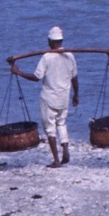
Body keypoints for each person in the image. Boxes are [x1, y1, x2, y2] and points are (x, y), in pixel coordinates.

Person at [18, 26, 81, 167]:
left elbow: (36, 77)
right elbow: (75, 78)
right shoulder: (70, 55)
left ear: (51, 41)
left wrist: (19, 72)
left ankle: (56, 160)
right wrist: (76, 95)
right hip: (64, 97)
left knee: (50, 128)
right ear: (61, 40)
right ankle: (65, 148)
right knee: (61, 123)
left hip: (49, 98)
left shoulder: (46, 57)